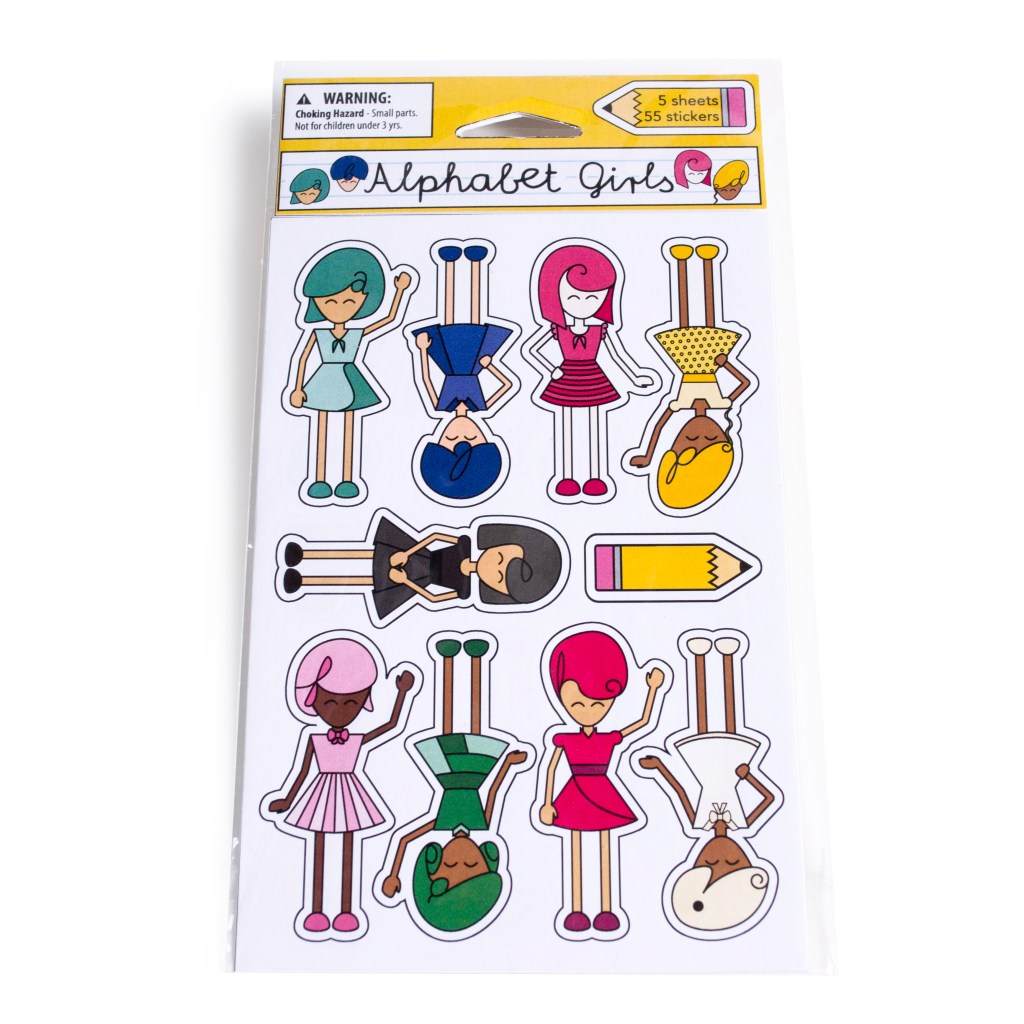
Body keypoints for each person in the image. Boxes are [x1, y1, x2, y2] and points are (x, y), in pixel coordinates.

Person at [264, 636, 417, 935]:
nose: (341, 709)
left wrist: (402, 693)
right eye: (329, 702)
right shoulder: (315, 739)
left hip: (348, 794)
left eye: (352, 702)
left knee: (348, 849)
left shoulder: (355, 740)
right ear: (312, 699)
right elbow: (303, 773)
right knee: (320, 848)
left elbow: (390, 726)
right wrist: (288, 800)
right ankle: (316, 910)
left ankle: (346, 911)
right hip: (321, 794)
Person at [539, 630, 666, 934]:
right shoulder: (565, 739)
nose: (588, 711)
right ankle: (577, 909)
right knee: (576, 848)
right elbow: (552, 768)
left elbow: (643, 723)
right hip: (574, 793)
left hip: (601, 791)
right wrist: (546, 803)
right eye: (578, 704)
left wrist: (653, 690)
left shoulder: (607, 738)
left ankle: (607, 910)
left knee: (604, 847)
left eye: (599, 705)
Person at [528, 244, 655, 498]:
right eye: (573, 298)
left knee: (594, 427)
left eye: (593, 298)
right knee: (566, 427)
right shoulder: (558, 328)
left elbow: (617, 355)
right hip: (566, 377)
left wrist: (634, 377)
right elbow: (532, 350)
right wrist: (550, 370)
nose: (583, 304)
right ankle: (567, 476)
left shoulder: (600, 328)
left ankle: (595, 476)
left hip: (593, 377)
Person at [286, 246, 413, 499]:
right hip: (324, 380)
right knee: (322, 427)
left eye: (349, 301)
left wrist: (400, 290)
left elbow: (389, 319)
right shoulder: (317, 333)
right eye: (330, 301)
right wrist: (297, 388)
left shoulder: (356, 333)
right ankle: (319, 478)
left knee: (349, 428)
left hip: (351, 380)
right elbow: (302, 358)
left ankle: (347, 479)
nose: (339, 307)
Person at [280, 515, 564, 621]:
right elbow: (434, 537)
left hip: (417, 580)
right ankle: (306, 553)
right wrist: (406, 553)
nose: (493, 568)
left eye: (499, 578)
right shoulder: (464, 544)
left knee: (367, 579)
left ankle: (306, 581)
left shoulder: (464, 590)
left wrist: (406, 580)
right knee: (367, 553)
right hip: (413, 554)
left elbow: (433, 598)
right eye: (500, 557)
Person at [412, 244, 516, 501]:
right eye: (472, 437)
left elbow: (426, 380)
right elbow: (507, 385)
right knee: (472, 321)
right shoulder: (480, 404)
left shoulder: (441, 404)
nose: (460, 432)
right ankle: (472, 265)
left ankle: (454, 265)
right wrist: (490, 366)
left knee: (451, 323)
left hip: (450, 358)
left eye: (450, 438)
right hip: (474, 359)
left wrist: (423, 351)